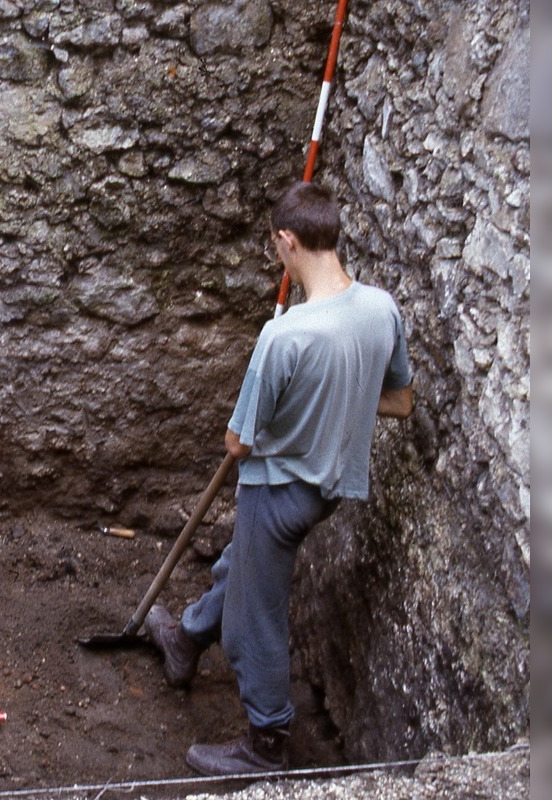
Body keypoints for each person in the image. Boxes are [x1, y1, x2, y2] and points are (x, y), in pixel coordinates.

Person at [144, 182, 414, 776]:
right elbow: (399, 401)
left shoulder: (285, 335)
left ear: (288, 242)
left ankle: (265, 745)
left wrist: (302, 401)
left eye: (276, 248)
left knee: (252, 616)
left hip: (278, 489)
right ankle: (185, 640)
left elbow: (237, 442)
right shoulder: (380, 308)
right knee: (240, 568)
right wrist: (336, 399)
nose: (277, 257)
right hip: (329, 488)